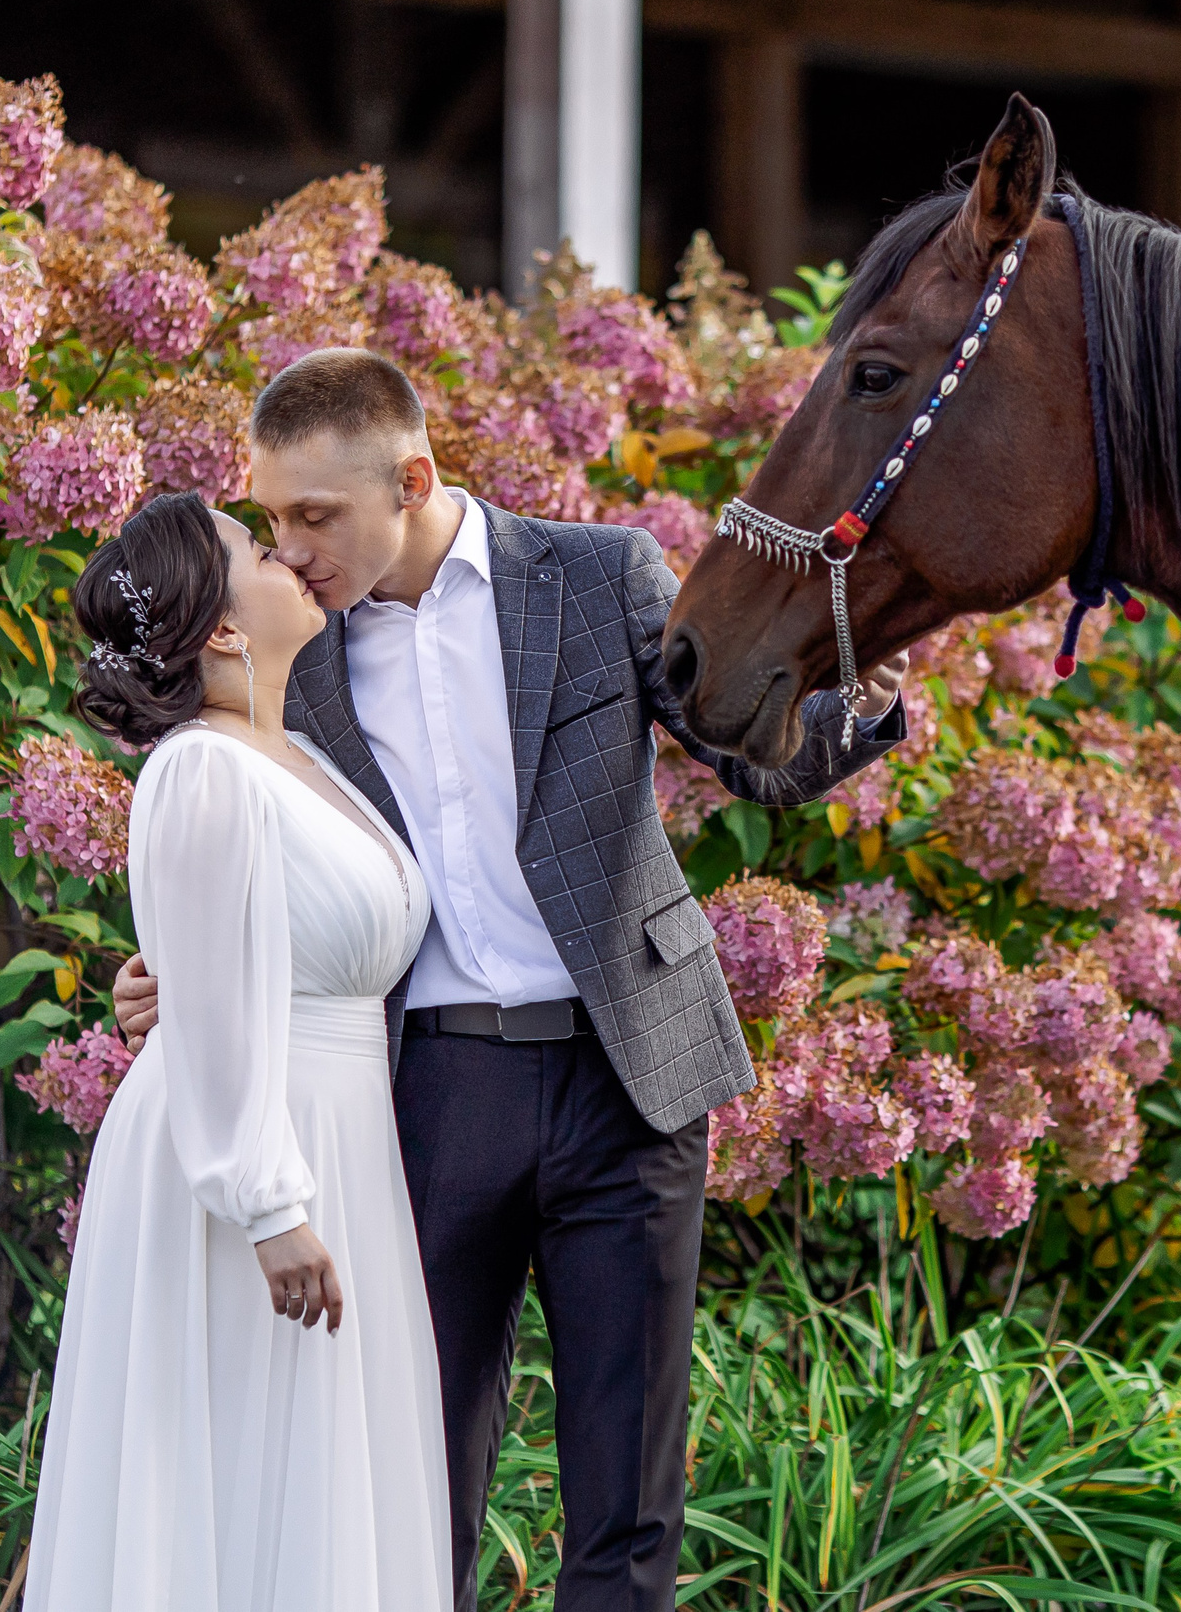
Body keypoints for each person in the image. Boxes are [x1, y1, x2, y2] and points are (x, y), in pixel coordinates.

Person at [112, 347, 904, 1609]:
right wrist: (174, 968)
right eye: (271, 519)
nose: (291, 545)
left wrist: (858, 684)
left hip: (627, 1073)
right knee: (413, 1482)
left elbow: (749, 757)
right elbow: (248, 847)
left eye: (314, 515)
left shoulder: (598, 576)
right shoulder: (293, 654)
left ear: (411, 477)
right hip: (424, 1093)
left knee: (627, 1500)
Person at [25, 492, 449, 1611]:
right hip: (251, 1164)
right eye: (260, 550)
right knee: (235, 1471)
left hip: (339, 1138)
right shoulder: (202, 767)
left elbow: (246, 950)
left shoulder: (302, 754)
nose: (290, 558)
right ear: (219, 628)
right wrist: (268, 1207)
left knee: (318, 1475)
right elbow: (211, 1003)